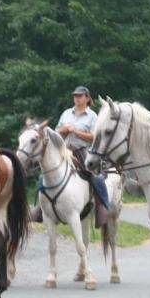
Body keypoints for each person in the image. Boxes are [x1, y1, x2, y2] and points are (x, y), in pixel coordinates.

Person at [55, 86, 110, 225]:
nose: (76, 98)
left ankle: (102, 206)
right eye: (75, 96)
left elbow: (94, 137)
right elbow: (56, 133)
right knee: (46, 170)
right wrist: (64, 130)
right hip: (65, 149)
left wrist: (75, 131)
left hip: (83, 150)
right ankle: (41, 208)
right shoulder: (66, 113)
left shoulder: (93, 116)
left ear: (87, 98)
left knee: (96, 177)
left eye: (80, 96)